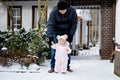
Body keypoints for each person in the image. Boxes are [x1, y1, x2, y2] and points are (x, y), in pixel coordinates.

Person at [47, 1, 77, 73]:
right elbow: (50, 25)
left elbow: (74, 24)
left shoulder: (72, 11)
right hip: (56, 33)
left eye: (63, 10)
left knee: (66, 49)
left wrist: (71, 35)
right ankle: (53, 67)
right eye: (60, 10)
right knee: (54, 50)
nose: (61, 12)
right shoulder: (54, 12)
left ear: (67, 8)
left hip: (67, 33)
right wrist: (50, 37)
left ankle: (66, 66)